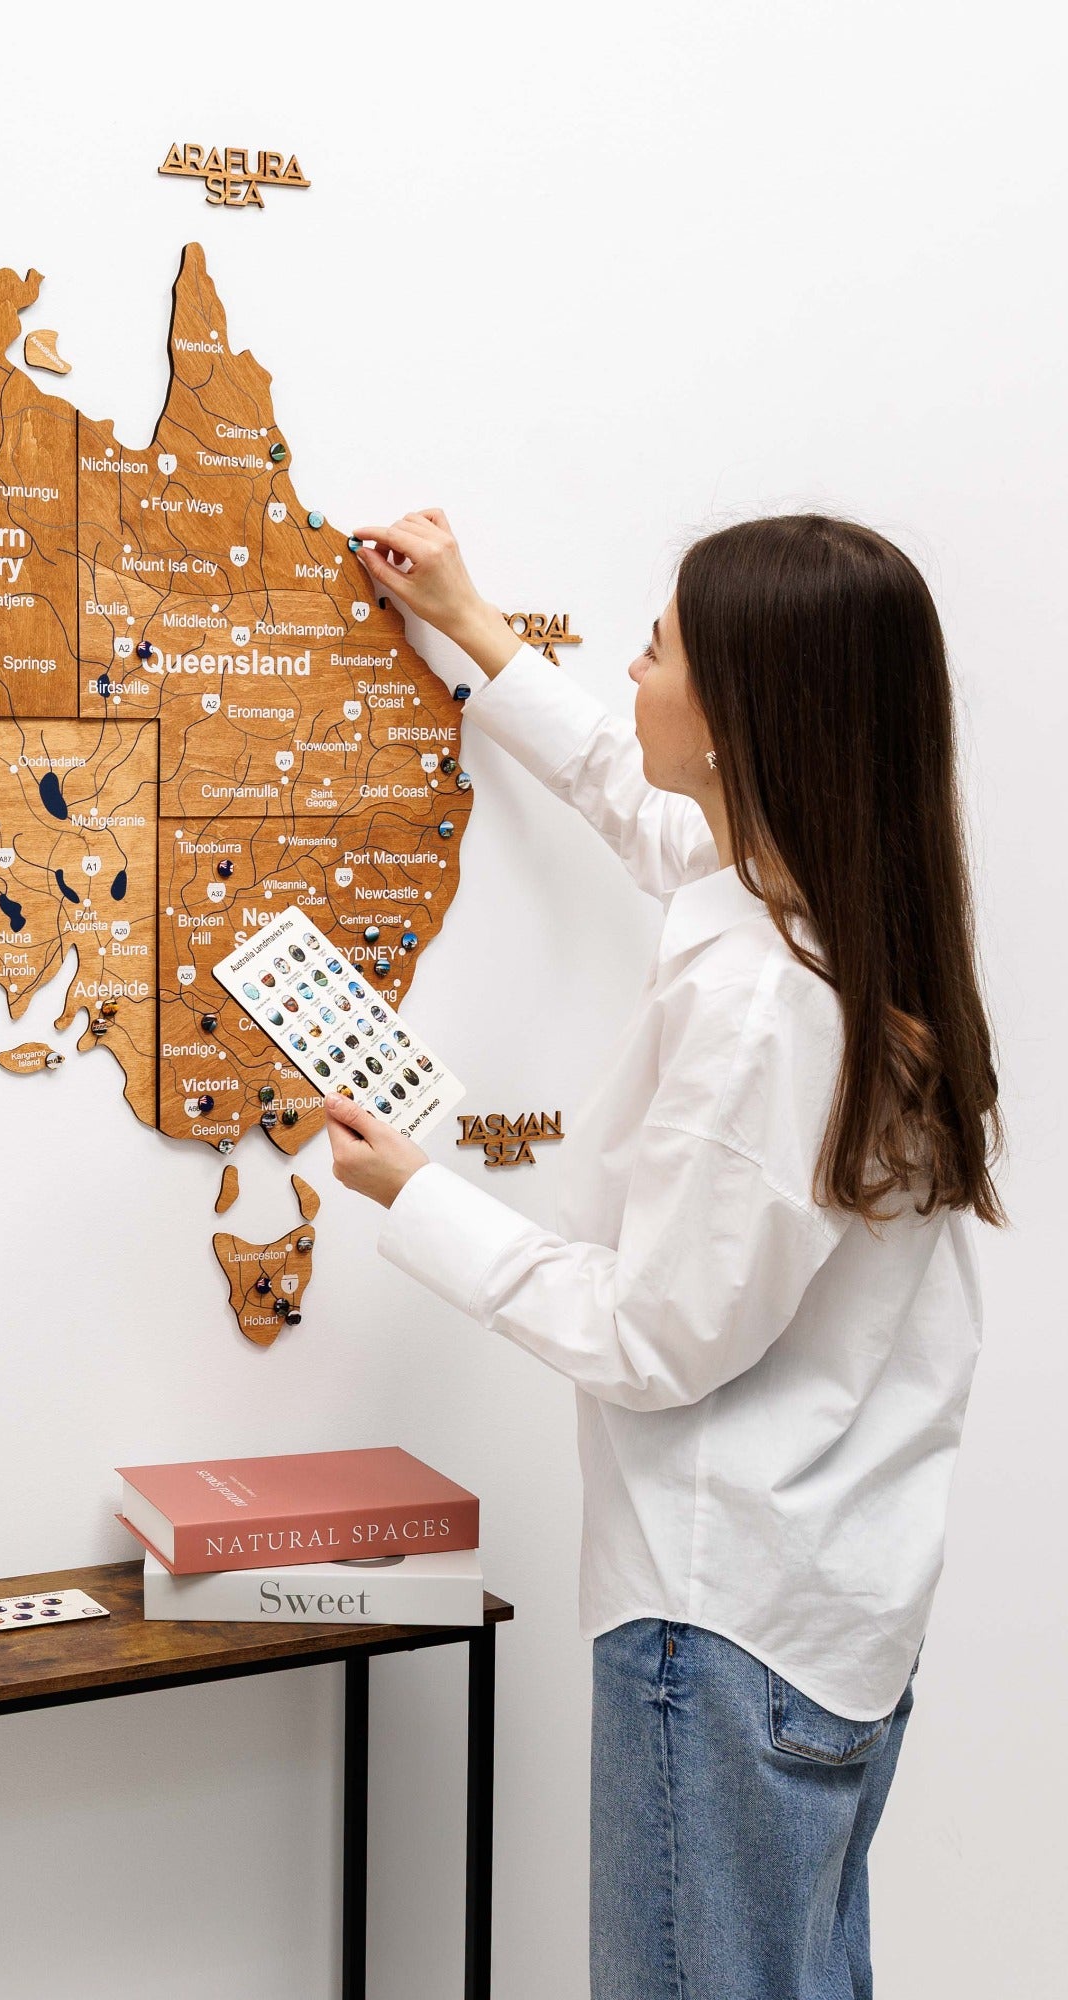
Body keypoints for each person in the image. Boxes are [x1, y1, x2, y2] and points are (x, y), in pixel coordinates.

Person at [323, 511, 1001, 2000]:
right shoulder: (847, 910)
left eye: (660, 645)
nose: (630, 664)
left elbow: (653, 1341)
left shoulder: (768, 1007)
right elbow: (649, 814)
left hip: (725, 1633)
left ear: (748, 713)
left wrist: (417, 1198)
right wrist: (478, 630)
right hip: (821, 1621)